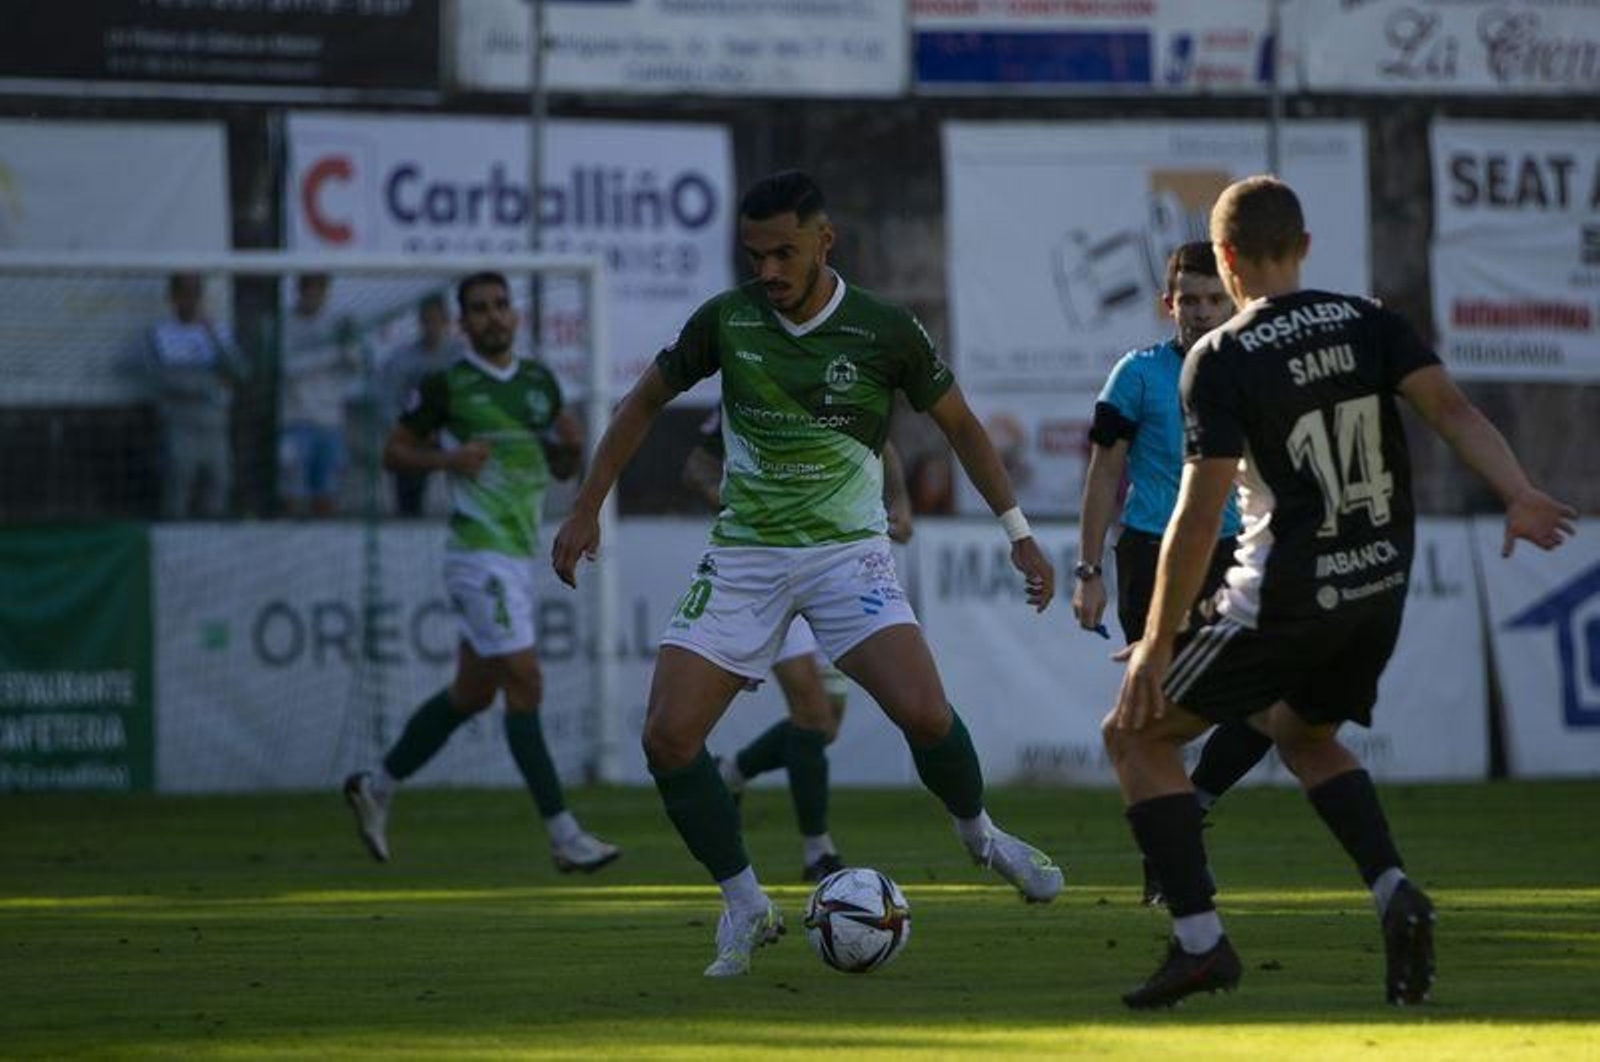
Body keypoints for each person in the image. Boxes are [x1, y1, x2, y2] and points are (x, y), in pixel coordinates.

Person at [552, 170, 1064, 979]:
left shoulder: (884, 329)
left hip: (846, 554)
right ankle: (746, 905)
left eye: (784, 253)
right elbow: (642, 404)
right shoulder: (726, 321)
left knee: (927, 716)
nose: (768, 272)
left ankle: (984, 837)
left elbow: (961, 427)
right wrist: (586, 507)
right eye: (754, 255)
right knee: (667, 738)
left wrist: (1020, 534)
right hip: (747, 557)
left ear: (825, 242)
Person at [1105, 175, 1577, 1010]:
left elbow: (1199, 510)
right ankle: (1394, 888)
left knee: (1134, 736)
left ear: (1225, 258)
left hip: (1282, 595)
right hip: (1380, 583)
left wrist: (1157, 637)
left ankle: (1200, 944)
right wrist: (1519, 491)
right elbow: (1455, 410)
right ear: (1306, 246)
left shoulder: (1219, 357)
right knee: (1305, 736)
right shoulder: (1369, 320)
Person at [343, 271, 620, 875]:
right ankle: (564, 835)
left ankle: (377, 787)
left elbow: (560, 462)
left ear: (514, 317)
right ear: (462, 324)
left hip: (513, 556)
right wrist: (447, 457)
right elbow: (393, 452)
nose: (494, 316)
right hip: (475, 554)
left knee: (472, 693)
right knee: (526, 682)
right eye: (480, 309)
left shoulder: (540, 383)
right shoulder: (446, 386)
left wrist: (571, 448)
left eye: (501, 306)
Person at [1072, 241, 1273, 905]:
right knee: (1157, 713)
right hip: (1151, 555)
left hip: (1235, 554)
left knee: (1267, 703)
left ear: (1234, 300)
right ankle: (1167, 865)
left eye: (1214, 298)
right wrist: (1086, 567)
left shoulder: (1256, 371)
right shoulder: (1136, 373)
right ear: (1168, 305)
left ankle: (1195, 801)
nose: (1201, 310)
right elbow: (1104, 472)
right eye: (1189, 298)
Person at [684, 408, 916, 881]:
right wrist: (727, 499)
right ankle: (818, 851)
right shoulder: (747, 387)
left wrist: (901, 502)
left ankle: (732, 770)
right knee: (811, 713)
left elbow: (881, 443)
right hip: (765, 566)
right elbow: (694, 466)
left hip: (838, 565)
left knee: (824, 723)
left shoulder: (835, 384)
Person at [145, 272, 248, 519]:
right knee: (179, 478)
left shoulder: (218, 332)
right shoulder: (161, 334)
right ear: (172, 298)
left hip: (215, 422)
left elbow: (240, 372)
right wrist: (207, 383)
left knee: (218, 481)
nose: (190, 300)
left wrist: (211, 338)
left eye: (195, 294)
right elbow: (163, 378)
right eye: (183, 294)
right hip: (180, 422)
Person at [379, 293, 465, 517]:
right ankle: (408, 519)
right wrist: (408, 430)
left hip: (452, 433)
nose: (431, 327)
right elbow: (388, 401)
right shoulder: (402, 359)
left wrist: (446, 429)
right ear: (420, 322)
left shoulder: (460, 357)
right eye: (427, 321)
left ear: (446, 322)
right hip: (415, 434)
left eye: (436, 320)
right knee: (403, 460)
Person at [279, 273, 357, 517]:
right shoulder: (285, 324)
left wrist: (348, 346)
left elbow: (354, 364)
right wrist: (332, 353)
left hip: (330, 421)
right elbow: (287, 367)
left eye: (319, 291)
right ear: (299, 291)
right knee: (292, 489)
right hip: (295, 420)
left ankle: (325, 544)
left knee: (327, 489)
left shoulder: (336, 324)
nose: (314, 297)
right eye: (309, 291)